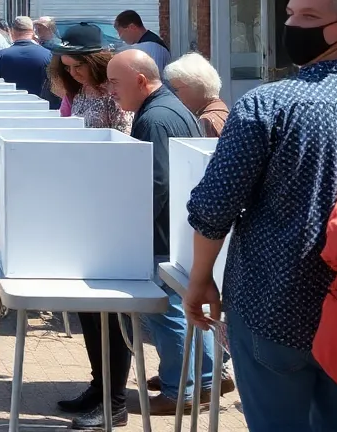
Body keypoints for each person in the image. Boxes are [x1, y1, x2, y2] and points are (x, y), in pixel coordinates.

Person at [185, 0, 337, 429]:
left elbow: (214, 207)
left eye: (309, 17)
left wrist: (199, 278)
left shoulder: (268, 104)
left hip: (276, 304)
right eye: (291, 13)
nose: (292, 26)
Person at [107, 49, 219, 420]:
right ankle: (202, 378)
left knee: (166, 312)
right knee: (176, 310)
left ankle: (180, 391)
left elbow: (155, 180)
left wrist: (133, 229)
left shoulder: (154, 117)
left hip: (160, 233)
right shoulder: (169, 106)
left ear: (141, 81)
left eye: (115, 82)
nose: (110, 91)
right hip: (174, 228)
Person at [51, 25, 134, 429]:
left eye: (79, 66)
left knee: (107, 313)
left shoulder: (115, 98)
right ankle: (98, 385)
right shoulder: (78, 93)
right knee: (86, 309)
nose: (74, 73)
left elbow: (125, 145)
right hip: (82, 204)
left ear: (96, 62)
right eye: (67, 66)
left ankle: (115, 401)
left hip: (109, 208)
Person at [0, 16, 53, 101]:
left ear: (12, 32)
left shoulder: (0, 56)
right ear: (32, 32)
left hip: (8, 108)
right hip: (42, 110)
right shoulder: (48, 55)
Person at [164, 53, 230, 137]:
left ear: (194, 87)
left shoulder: (206, 122)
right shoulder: (222, 110)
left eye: (175, 89)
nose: (173, 94)